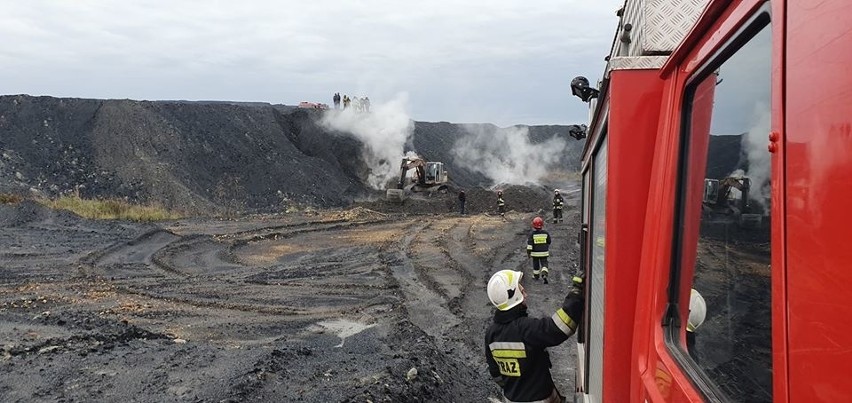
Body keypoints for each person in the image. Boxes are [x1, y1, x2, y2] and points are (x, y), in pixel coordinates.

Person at [485, 270, 585, 403]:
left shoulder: (491, 334)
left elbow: (496, 374)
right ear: (513, 296)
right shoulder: (525, 328)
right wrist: (576, 293)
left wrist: (518, 386)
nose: (525, 295)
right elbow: (560, 327)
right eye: (521, 291)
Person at [526, 217, 551, 283]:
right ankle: (544, 272)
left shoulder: (532, 234)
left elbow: (529, 246)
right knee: (544, 263)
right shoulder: (546, 233)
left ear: (534, 226)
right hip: (544, 253)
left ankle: (536, 276)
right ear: (542, 225)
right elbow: (549, 241)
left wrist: (528, 253)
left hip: (535, 253)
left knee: (536, 264)